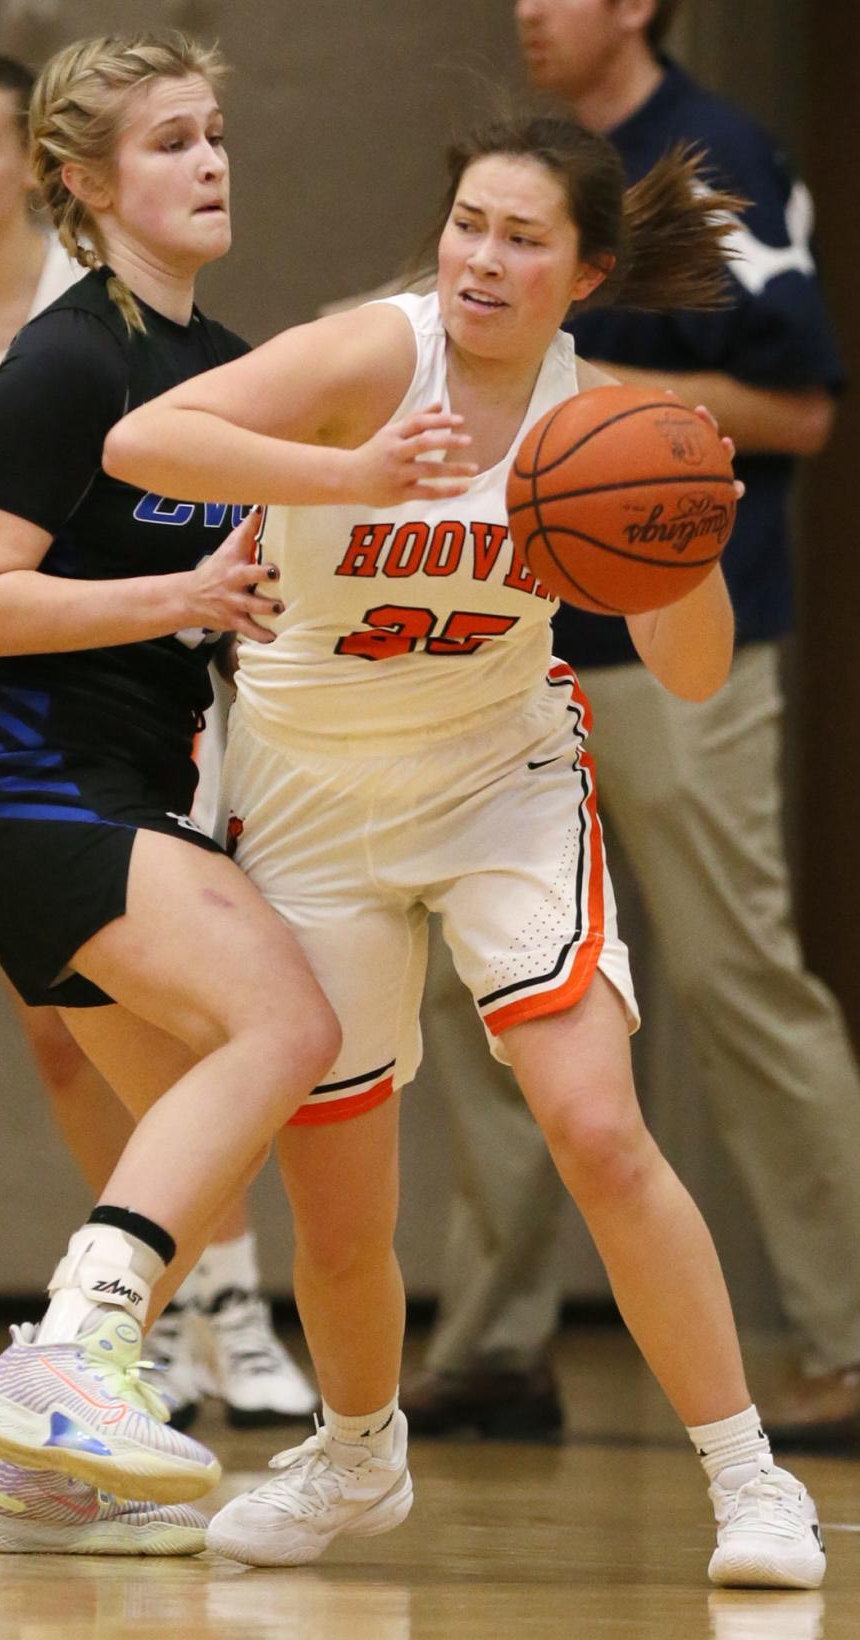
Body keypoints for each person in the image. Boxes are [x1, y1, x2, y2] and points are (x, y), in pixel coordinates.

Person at [105, 105, 825, 1588]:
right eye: (469, 226)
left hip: (500, 774)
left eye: (522, 239)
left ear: (586, 271)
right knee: (345, 1209)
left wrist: (680, 545)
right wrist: (351, 477)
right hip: (307, 789)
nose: (483, 260)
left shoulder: (601, 423)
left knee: (601, 1129)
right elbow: (143, 435)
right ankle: (357, 1454)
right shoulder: (378, 352)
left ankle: (752, 1482)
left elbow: (688, 673)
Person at [404, 0, 860, 1450]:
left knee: (735, 974)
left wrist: (594, 414)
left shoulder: (714, 163)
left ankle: (849, 1342)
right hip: (501, 640)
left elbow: (797, 408)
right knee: (489, 991)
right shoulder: (514, 185)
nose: (533, 7)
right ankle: (489, 1348)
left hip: (677, 647)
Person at [0, 31, 340, 1557]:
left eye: (219, 130)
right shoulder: (66, 357)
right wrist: (180, 591)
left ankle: (16, 1474)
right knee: (288, 1025)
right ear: (88, 183)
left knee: (192, 1122)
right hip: (26, 775)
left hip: (119, 773)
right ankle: (73, 1366)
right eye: (172, 141)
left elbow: (233, 596)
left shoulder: (218, 366)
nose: (213, 160)